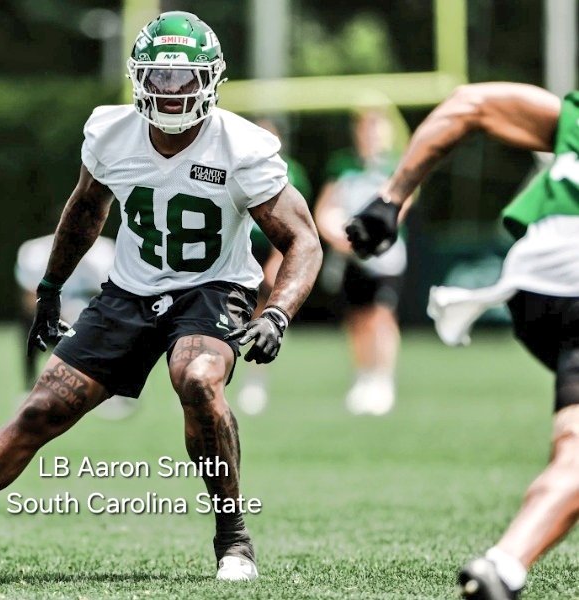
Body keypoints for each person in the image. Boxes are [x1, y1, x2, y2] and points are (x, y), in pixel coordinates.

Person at [0, 11, 322, 584]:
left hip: (213, 288)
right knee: (40, 410)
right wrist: (50, 290)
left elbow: (303, 240)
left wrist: (278, 313)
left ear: (210, 80)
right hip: (130, 290)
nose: (172, 91)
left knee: (199, 377)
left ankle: (233, 539)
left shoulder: (243, 144)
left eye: (185, 79)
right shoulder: (112, 132)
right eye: (159, 78)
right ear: (139, 79)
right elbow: (86, 210)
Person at [345, 83, 578, 599]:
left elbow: (470, 103)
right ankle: (506, 564)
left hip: (535, 287)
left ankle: (503, 566)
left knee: (575, 441)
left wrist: (390, 200)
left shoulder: (574, 119)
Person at [315, 108, 407, 416]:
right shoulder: (343, 166)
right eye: (366, 128)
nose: (371, 134)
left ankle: (383, 380)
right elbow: (326, 209)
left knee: (381, 317)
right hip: (351, 256)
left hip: (384, 257)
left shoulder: (396, 166)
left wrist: (373, 234)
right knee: (357, 319)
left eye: (377, 127)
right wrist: (339, 235)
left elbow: (401, 208)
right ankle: (364, 377)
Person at [236, 117, 313, 415]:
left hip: (271, 243)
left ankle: (255, 379)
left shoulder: (289, 170)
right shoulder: (236, 163)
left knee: (262, 311)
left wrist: (278, 259)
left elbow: (297, 226)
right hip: (240, 244)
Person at [16, 234, 138, 420]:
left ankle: (114, 392)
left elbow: (113, 294)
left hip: (91, 311)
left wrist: (87, 315)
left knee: (122, 323)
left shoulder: (103, 250)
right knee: (30, 324)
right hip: (52, 314)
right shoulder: (35, 251)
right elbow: (29, 299)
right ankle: (30, 386)